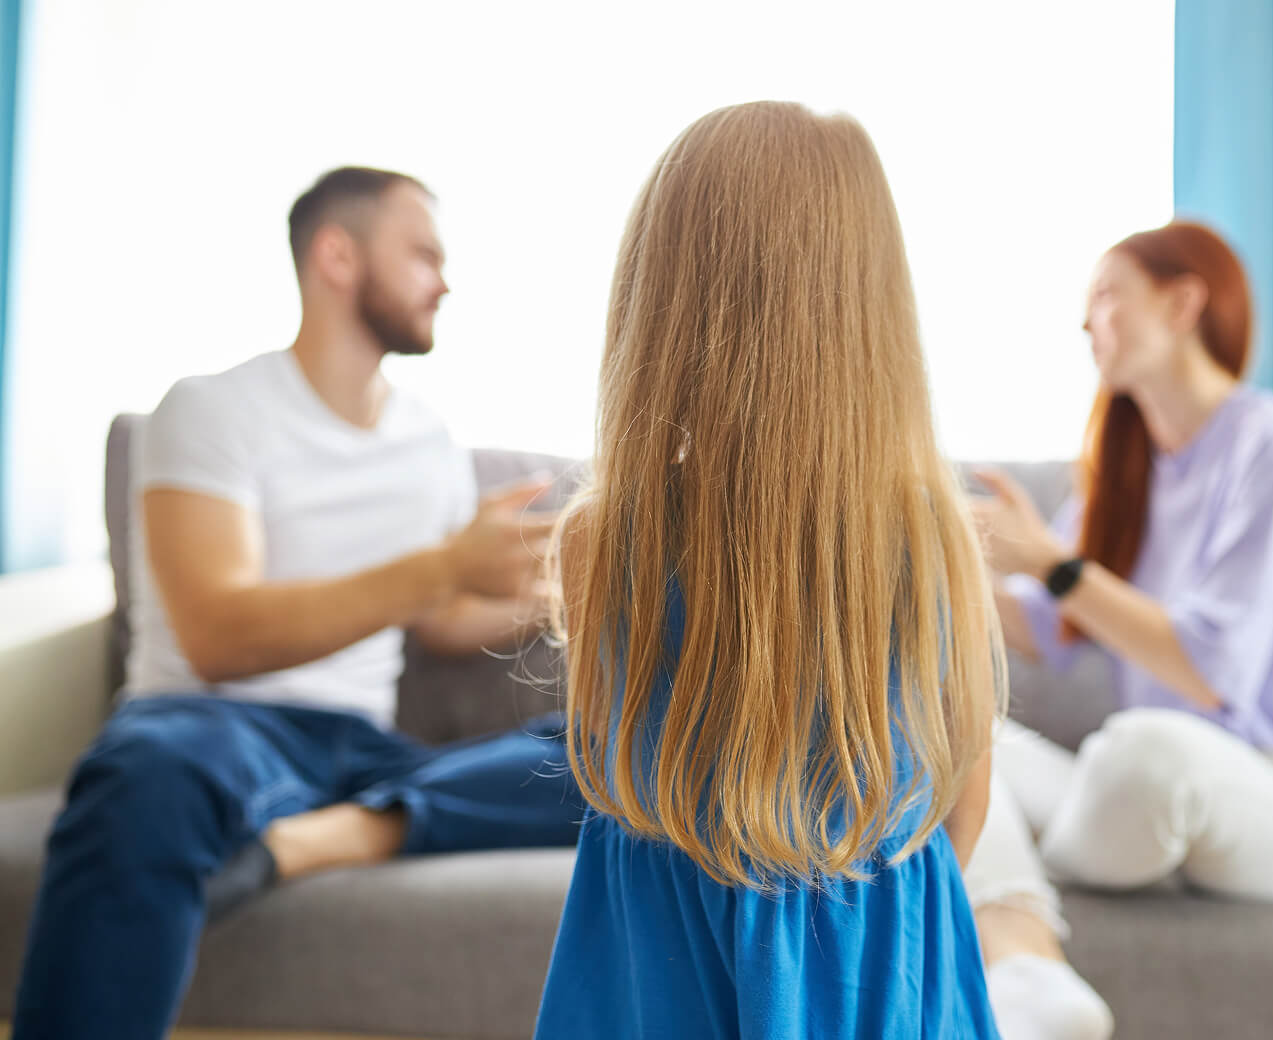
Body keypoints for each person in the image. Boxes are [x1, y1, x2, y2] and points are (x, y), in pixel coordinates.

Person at [12, 167, 584, 1040]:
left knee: (607, 760)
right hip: (213, 727)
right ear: (337, 256)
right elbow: (216, 635)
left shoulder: (426, 437)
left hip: (357, 751)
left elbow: (440, 624)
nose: (445, 279)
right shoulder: (210, 410)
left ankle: (324, 837)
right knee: (143, 779)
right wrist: (440, 565)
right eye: (423, 254)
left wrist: (564, 596)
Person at [532, 102, 1004, 1039]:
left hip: (658, 973)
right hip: (877, 972)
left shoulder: (600, 541)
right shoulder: (935, 536)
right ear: (873, 308)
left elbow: (617, 772)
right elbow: (963, 812)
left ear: (658, 300)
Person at [965, 220, 1273, 1034]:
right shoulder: (1128, 469)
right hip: (1139, 796)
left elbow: (1211, 670)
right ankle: (1029, 972)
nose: (1089, 325)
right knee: (968, 737)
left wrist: (1047, 560)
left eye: (1108, 297)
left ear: (1184, 301)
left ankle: (1055, 863)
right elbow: (1043, 628)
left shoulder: (1272, 445)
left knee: (1148, 747)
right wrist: (954, 569)